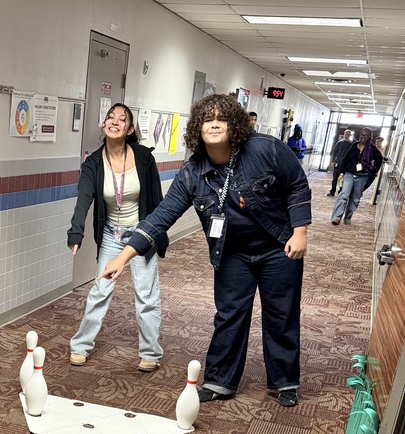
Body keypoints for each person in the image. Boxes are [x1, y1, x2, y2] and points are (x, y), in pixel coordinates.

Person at [100, 93, 311, 407]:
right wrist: (123, 256)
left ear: (234, 124)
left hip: (278, 247)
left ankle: (284, 382)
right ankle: (220, 380)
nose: (214, 124)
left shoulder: (265, 149)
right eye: (207, 120)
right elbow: (161, 216)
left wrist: (300, 231)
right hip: (232, 252)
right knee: (229, 316)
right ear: (197, 128)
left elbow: (296, 183)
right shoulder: (192, 173)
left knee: (281, 315)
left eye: (221, 119)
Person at [67, 103, 168, 372]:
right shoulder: (93, 163)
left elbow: (157, 199)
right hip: (112, 235)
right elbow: (83, 200)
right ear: (104, 125)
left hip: (141, 234)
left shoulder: (144, 157)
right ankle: (80, 346)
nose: (114, 121)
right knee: (100, 289)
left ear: (129, 129)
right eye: (110, 117)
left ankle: (150, 353)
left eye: (121, 119)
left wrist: (160, 236)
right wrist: (76, 231)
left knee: (146, 295)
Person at [330, 128, 384, 225]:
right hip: (349, 174)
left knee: (355, 198)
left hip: (362, 176)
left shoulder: (372, 149)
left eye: (365, 135)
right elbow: (345, 159)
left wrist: (372, 171)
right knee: (344, 194)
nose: (363, 136)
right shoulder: (354, 145)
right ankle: (336, 217)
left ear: (369, 137)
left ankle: (348, 217)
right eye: (361, 134)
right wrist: (341, 173)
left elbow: (379, 160)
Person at [327, 129, 355, 195]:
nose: (347, 135)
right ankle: (332, 191)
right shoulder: (339, 143)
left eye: (348, 134)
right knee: (334, 179)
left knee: (341, 179)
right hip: (337, 163)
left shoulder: (351, 144)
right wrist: (332, 161)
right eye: (346, 133)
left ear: (350, 135)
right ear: (344, 134)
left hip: (345, 165)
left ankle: (340, 191)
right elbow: (334, 153)